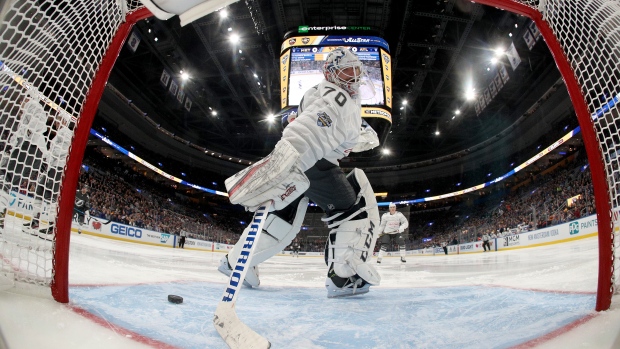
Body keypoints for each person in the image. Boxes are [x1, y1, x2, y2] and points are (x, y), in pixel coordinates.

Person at [218, 47, 382, 298]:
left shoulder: (318, 92)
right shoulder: (339, 99)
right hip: (313, 165)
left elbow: (306, 122)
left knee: (282, 221)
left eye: (357, 71)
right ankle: (343, 277)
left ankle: (234, 262)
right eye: (347, 71)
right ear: (331, 73)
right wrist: (282, 165)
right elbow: (311, 132)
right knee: (355, 208)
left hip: (307, 166)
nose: (354, 77)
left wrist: (354, 136)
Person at [0, 93, 51, 231]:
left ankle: (0, 216)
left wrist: (29, 133)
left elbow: (40, 122)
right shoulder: (29, 110)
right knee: (8, 183)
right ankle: (1, 215)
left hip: (29, 148)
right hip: (35, 153)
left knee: (4, 179)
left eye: (22, 100)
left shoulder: (32, 105)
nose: (21, 103)